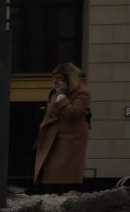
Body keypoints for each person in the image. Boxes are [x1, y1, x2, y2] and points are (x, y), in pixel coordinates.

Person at [33, 62, 92, 190]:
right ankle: (51, 191)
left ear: (68, 78)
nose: (55, 82)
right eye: (54, 78)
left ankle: (66, 191)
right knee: (50, 167)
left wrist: (62, 97)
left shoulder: (82, 92)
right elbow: (50, 112)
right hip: (52, 134)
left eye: (59, 78)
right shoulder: (54, 92)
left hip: (71, 137)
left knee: (65, 168)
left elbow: (73, 113)